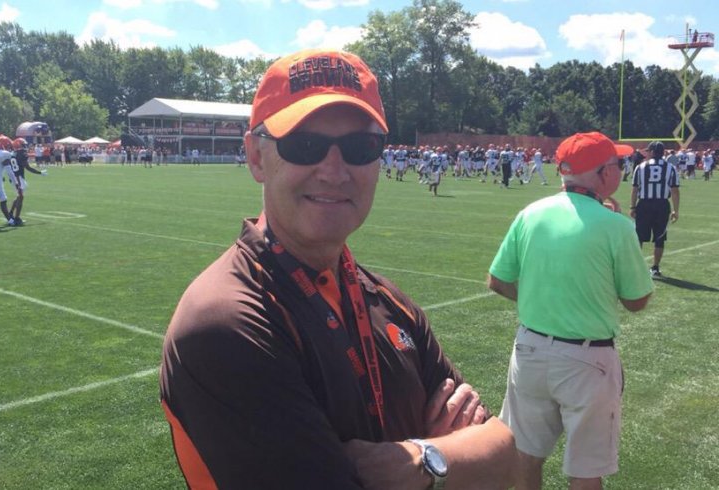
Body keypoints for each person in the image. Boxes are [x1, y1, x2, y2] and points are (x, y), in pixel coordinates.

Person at [160, 48, 516, 490]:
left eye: (358, 147)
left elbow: (506, 454)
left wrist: (421, 461)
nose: (334, 170)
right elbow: (488, 459)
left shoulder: (388, 300)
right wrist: (453, 459)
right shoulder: (226, 321)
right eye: (304, 145)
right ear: (255, 157)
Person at [488, 131, 654, 490]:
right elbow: (636, 300)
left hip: (529, 350)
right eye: (617, 164)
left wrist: (542, 302)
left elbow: (498, 281)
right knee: (585, 470)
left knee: (525, 456)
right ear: (601, 174)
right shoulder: (617, 227)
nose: (621, 171)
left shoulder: (531, 213)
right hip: (587, 358)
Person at [630, 140, 680, 277]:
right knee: (660, 237)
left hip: (644, 204)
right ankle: (655, 268)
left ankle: (637, 267)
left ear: (652, 152)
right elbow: (674, 191)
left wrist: (632, 206)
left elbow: (635, 189)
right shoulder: (670, 168)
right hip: (662, 205)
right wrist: (676, 210)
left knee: (639, 237)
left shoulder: (640, 167)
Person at [8, 137, 47, 226]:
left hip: (14, 177)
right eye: (23, 145)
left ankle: (10, 214)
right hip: (19, 178)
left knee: (18, 197)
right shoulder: (22, 153)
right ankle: (17, 218)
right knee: (21, 197)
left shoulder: (12, 153)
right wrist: (40, 172)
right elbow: (28, 167)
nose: (25, 146)